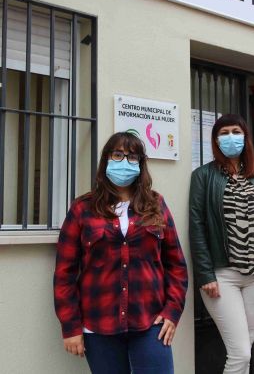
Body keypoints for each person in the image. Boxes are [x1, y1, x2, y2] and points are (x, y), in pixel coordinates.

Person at [54, 131, 188, 374]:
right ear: (106, 160)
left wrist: (172, 311)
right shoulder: (82, 208)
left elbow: (176, 265)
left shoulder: (156, 205)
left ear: (141, 164)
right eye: (118, 155)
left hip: (150, 322)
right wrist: (71, 326)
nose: (124, 162)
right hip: (99, 325)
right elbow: (64, 274)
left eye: (132, 157)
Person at [189, 113, 254, 374]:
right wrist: (205, 274)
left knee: (245, 348)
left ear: (246, 138)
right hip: (222, 276)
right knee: (240, 352)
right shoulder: (203, 176)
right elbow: (197, 227)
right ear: (216, 139)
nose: (231, 137)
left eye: (236, 132)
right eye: (224, 132)